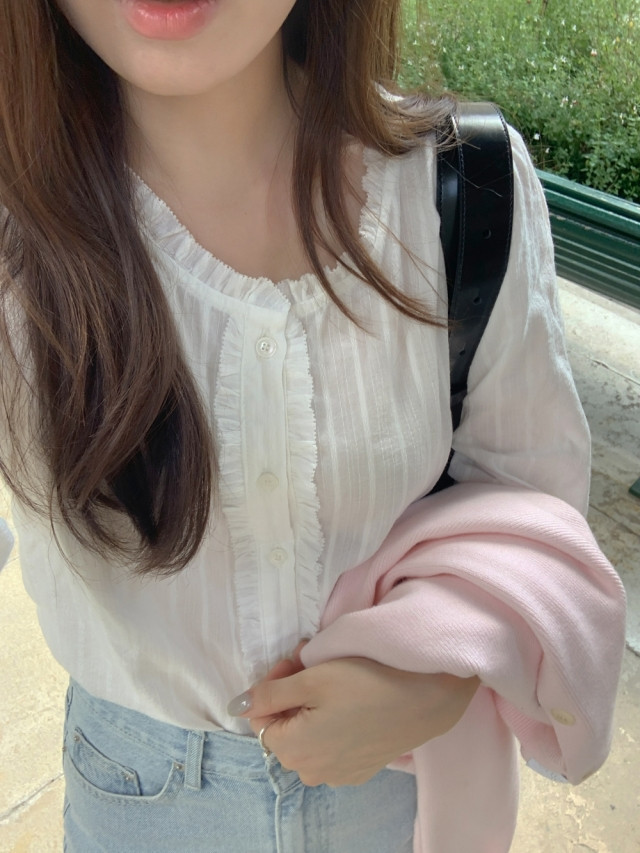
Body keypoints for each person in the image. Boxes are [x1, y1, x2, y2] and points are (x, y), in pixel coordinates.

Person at [0, 1, 625, 851]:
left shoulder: (459, 185)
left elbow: (531, 502)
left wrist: (440, 675)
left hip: (401, 793)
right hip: (136, 798)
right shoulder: (20, 229)